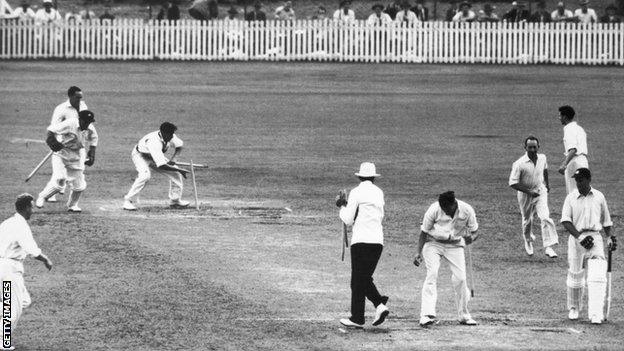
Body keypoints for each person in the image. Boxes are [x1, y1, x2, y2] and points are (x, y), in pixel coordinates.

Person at [336, 162, 389, 329]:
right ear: (373, 177)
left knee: (359, 279)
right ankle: (362, 314)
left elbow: (348, 219)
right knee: (361, 279)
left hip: (361, 241)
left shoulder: (357, 192)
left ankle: (376, 306)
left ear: (359, 176)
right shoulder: (379, 193)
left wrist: (341, 206)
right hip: (377, 241)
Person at [414, 191, 478, 327]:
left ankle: (464, 315)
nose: (444, 210)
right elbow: (423, 232)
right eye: (442, 208)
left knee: (461, 278)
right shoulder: (434, 209)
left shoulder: (467, 210)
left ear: (454, 204)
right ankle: (426, 315)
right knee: (432, 274)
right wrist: (418, 253)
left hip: (455, 245)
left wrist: (471, 238)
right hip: (433, 243)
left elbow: (475, 231)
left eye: (446, 208)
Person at [560, 168, 616, 324]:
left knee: (597, 275)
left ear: (588, 180)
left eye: (581, 180)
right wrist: (579, 238)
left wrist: (609, 237)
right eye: (576, 180)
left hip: (595, 238)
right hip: (577, 238)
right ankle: (574, 308)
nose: (578, 183)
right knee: (575, 276)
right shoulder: (571, 197)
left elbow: (606, 221)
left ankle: (596, 313)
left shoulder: (599, 197)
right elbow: (565, 220)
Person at [0, 194, 53, 350]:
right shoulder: (20, 225)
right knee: (12, 307)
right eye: (31, 207)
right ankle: (3, 341)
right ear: (25, 208)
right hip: (9, 270)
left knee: (24, 300)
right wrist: (46, 260)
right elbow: (31, 250)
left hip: (3, 267)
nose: (33, 210)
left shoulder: (7, 222)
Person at [40, 86, 96, 205]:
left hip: (78, 149)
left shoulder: (83, 107)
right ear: (70, 96)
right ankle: (48, 196)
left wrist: (92, 151)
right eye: (77, 98)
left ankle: (72, 205)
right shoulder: (61, 109)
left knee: (79, 183)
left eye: (81, 98)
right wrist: (53, 142)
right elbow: (53, 127)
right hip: (63, 144)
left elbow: (92, 131)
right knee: (60, 177)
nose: (79, 100)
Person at [509, 136, 558, 258]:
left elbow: (545, 170)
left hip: (540, 191)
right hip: (525, 195)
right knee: (527, 220)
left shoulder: (543, 158)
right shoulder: (519, 163)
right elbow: (513, 183)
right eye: (529, 147)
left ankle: (548, 246)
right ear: (525, 147)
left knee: (545, 217)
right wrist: (529, 192)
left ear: (538, 147)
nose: (532, 149)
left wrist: (547, 184)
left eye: (534, 147)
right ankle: (528, 241)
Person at [123, 122, 190, 211]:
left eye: (172, 134)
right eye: (170, 135)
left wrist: (174, 159)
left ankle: (175, 201)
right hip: (140, 156)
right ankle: (128, 201)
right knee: (145, 176)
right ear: (163, 132)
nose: (172, 137)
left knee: (175, 172)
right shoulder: (154, 142)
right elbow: (162, 165)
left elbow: (179, 146)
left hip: (154, 156)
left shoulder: (171, 135)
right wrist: (181, 170)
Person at [557, 105, 588, 194]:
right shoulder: (579, 129)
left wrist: (564, 164)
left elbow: (573, 149)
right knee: (583, 191)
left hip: (574, 162)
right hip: (583, 161)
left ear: (565, 117)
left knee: (573, 193)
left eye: (560, 116)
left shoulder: (568, 129)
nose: (559, 118)